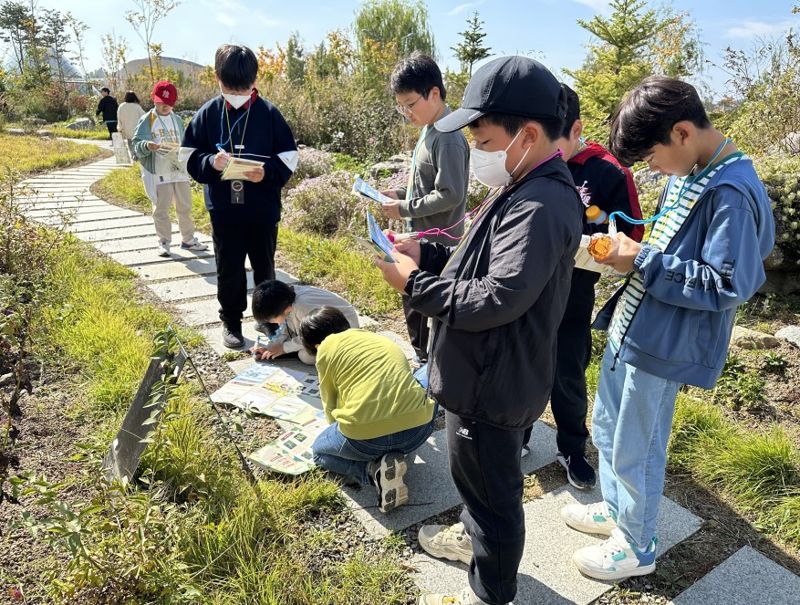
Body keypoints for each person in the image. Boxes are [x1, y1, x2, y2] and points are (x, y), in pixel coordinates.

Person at [376, 56, 583, 605]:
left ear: (529, 134)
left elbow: (497, 297)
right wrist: (432, 251)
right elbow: (484, 263)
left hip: (492, 385)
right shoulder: (523, 182)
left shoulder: (541, 202)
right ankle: (482, 558)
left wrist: (415, 283)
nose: (479, 153)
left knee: (493, 502)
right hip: (488, 371)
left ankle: (493, 590)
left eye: (485, 140)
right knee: (483, 491)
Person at [560, 76, 775, 582]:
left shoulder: (732, 190)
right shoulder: (697, 167)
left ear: (681, 132)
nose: (651, 170)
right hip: (635, 323)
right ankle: (616, 512)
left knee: (640, 443)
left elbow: (727, 282)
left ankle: (637, 545)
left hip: (661, 341)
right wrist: (630, 257)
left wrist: (641, 258)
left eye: (652, 157)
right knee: (612, 426)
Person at [528, 83, 644, 489]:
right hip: (527, 288)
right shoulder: (531, 160)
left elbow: (634, 237)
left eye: (555, 146)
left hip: (575, 292)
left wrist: (599, 246)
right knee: (523, 364)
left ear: (576, 130)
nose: (547, 156)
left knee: (568, 371)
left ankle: (573, 448)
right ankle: (518, 434)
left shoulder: (608, 171)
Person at [183, 44, 298, 349]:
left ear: (254, 80)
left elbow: (288, 156)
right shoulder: (208, 113)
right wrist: (210, 162)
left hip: (262, 209)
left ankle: (269, 320)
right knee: (228, 267)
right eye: (230, 86)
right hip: (225, 211)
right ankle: (231, 322)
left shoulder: (270, 113)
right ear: (217, 77)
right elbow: (188, 154)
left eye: (243, 87)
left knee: (265, 267)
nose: (237, 92)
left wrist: (268, 172)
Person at [302, 307, 436, 513]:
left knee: (320, 453)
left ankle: (372, 471)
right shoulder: (377, 339)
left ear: (316, 344)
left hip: (365, 440)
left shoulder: (325, 349)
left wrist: (336, 429)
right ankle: (395, 459)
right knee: (425, 373)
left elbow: (329, 403)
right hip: (417, 431)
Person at [381, 52, 469, 365]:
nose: (406, 112)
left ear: (434, 93)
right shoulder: (430, 129)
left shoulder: (446, 136)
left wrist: (403, 208)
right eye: (400, 105)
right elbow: (428, 185)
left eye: (410, 103)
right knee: (413, 303)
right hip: (419, 237)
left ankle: (428, 366)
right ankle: (425, 360)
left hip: (436, 245)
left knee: (424, 304)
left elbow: (451, 194)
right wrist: (400, 194)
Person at [132, 81, 208, 257]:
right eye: (160, 102)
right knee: (161, 207)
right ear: (154, 99)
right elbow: (136, 144)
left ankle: (188, 239)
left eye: (169, 103)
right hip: (159, 171)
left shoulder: (177, 119)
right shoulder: (147, 119)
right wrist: (147, 145)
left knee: (185, 206)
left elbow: (185, 143)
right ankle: (164, 241)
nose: (165, 106)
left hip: (178, 169)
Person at [251, 280, 360, 365]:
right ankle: (285, 350)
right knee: (291, 344)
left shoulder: (303, 306)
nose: (272, 323)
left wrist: (284, 348)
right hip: (320, 327)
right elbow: (286, 326)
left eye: (271, 320)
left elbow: (314, 335)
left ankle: (290, 352)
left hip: (343, 328)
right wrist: (274, 345)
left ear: (286, 310)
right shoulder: (287, 299)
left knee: (306, 356)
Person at [117, 91, 145, 160]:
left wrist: (120, 128)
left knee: (130, 144)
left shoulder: (121, 106)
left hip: (127, 130)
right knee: (137, 144)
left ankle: (133, 157)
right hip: (137, 131)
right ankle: (137, 157)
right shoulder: (137, 107)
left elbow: (119, 118)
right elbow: (144, 117)